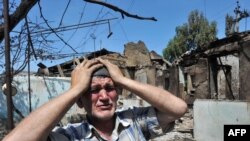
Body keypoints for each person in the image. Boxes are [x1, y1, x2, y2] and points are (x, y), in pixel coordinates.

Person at [3, 58, 188, 141]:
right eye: (93, 90)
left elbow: (178, 108)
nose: (104, 96)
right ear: (80, 101)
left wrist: (122, 80)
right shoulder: (71, 136)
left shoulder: (135, 123)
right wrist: (75, 90)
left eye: (110, 88)